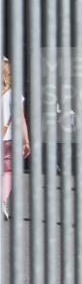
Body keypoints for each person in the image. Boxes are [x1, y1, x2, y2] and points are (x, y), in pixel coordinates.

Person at [2, 57, 29, 220]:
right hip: (8, 139)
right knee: (9, 171)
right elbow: (20, 119)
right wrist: (26, 141)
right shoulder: (14, 94)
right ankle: (2, 199)